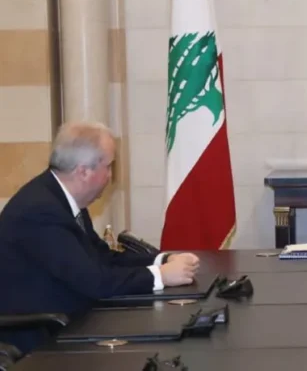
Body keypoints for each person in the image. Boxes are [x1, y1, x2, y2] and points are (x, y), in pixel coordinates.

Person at [0, 122, 199, 353]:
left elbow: (102, 257)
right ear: (83, 171)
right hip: (41, 339)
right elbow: (95, 281)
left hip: (73, 320)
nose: (110, 176)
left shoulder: (61, 199)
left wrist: (162, 260)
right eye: (108, 166)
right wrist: (161, 276)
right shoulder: (41, 210)